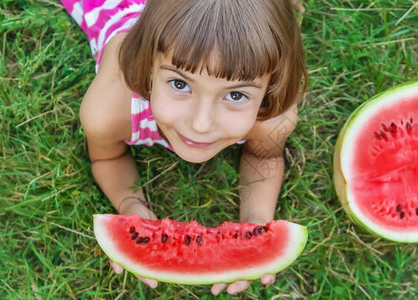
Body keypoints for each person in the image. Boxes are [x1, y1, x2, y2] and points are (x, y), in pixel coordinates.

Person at [61, 0, 307, 295]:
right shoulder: (109, 110)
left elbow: (264, 153)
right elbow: (107, 158)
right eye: (179, 84)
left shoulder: (271, 117)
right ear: (148, 66)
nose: (201, 124)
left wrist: (256, 224)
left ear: (272, 88)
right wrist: (131, 206)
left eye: (237, 95)